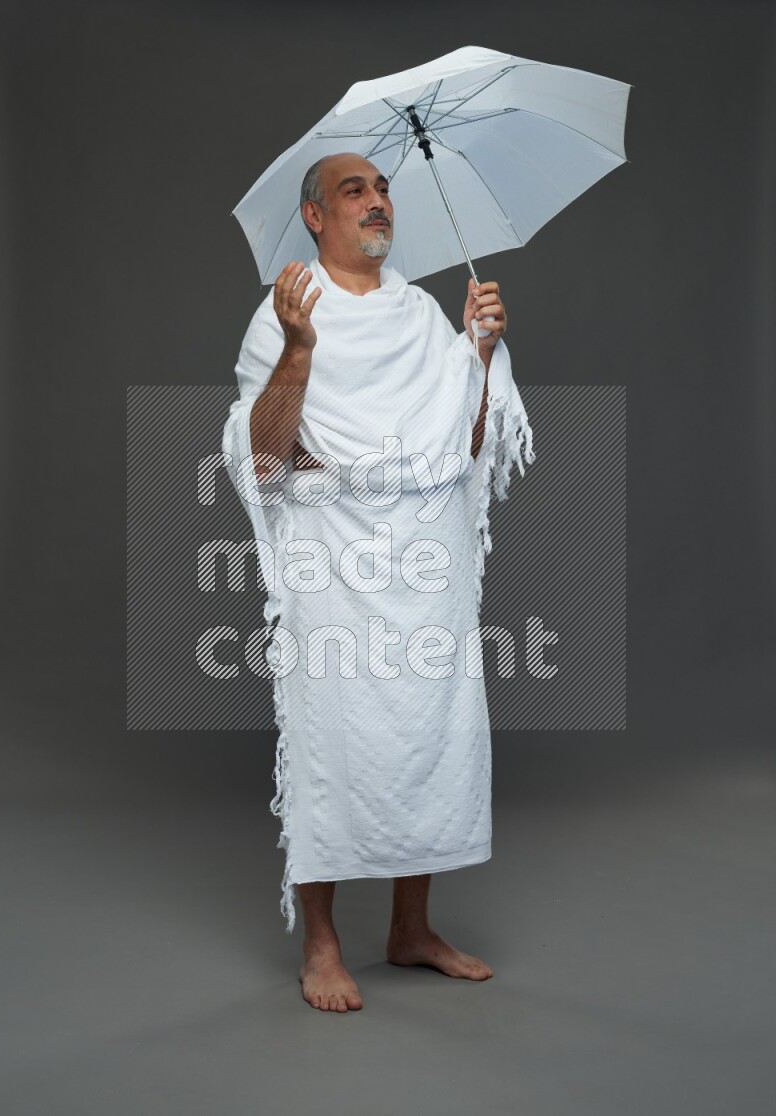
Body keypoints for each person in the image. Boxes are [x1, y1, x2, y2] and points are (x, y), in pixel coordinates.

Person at [222, 152, 535, 1012]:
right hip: (332, 557)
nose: (377, 202)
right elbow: (263, 456)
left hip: (423, 558)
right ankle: (320, 943)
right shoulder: (287, 311)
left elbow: (463, 448)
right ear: (316, 217)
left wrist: (478, 351)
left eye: (384, 188)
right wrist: (297, 351)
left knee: (428, 727)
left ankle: (410, 928)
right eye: (354, 190)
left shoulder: (422, 310)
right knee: (333, 733)